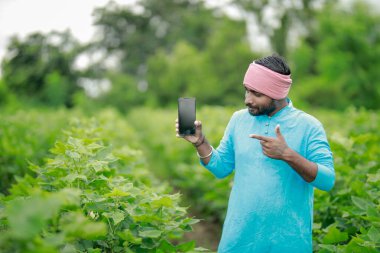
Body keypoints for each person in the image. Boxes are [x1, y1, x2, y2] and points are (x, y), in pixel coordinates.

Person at [175, 55, 335, 253]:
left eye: (256, 94)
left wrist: (288, 154)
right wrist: (200, 142)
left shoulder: (309, 126)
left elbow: (327, 181)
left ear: (277, 93)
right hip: (239, 239)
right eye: (247, 90)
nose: (247, 100)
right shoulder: (238, 120)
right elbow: (221, 168)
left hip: (287, 242)